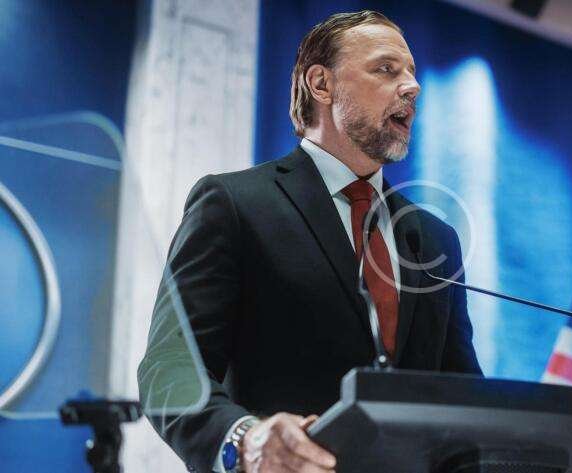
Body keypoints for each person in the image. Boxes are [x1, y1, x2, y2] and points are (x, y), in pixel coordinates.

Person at [138, 10, 482, 473]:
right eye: (386, 69)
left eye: (412, 73)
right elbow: (170, 368)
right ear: (321, 84)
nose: (412, 87)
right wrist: (245, 440)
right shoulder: (234, 203)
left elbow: (465, 403)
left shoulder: (436, 238)